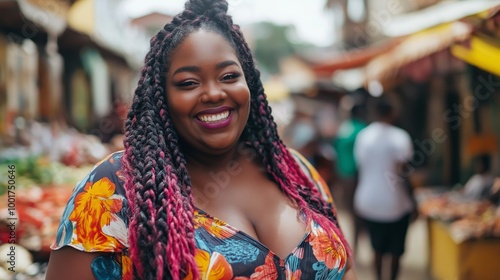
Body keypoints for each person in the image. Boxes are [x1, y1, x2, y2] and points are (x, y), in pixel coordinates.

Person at [46, 0, 356, 279]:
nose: (213, 93)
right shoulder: (111, 192)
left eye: (229, 76)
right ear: (161, 98)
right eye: (189, 82)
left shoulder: (295, 170)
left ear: (249, 83)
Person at [353, 98, 413, 280]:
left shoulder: (363, 136)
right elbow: (404, 172)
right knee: (396, 251)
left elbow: (359, 167)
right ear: (392, 113)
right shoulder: (400, 136)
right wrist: (413, 198)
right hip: (396, 203)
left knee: (377, 248)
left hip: (368, 201)